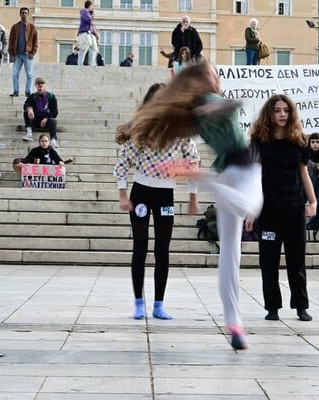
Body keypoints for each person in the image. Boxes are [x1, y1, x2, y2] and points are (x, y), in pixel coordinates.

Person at [127, 62, 263, 350]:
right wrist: (213, 107)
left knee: (230, 255)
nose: (218, 77)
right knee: (252, 205)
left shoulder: (190, 113)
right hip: (244, 169)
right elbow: (236, 102)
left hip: (226, 176)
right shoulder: (208, 101)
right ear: (201, 81)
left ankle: (234, 324)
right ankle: (205, 179)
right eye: (214, 74)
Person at [115, 82, 200, 322]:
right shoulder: (141, 131)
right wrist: (122, 194)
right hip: (141, 192)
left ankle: (159, 304)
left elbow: (193, 162)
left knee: (162, 250)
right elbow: (123, 164)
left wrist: (193, 196)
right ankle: (138, 303)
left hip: (165, 195)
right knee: (140, 249)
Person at [250, 94, 316, 323]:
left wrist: (313, 201)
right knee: (268, 261)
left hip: (294, 208)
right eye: (277, 110)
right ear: (270, 113)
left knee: (296, 260)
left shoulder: (299, 140)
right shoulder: (259, 142)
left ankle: (300, 306)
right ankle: (272, 307)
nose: (282, 114)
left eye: (286, 110)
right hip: (268, 211)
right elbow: (253, 177)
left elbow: (304, 173)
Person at [8, 7, 38, 98]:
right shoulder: (15, 27)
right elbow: (11, 41)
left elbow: (35, 42)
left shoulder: (32, 27)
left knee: (29, 74)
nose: (24, 14)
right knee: (15, 74)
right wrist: (11, 54)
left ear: (28, 14)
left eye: (25, 13)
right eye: (22, 13)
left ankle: (28, 91)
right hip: (17, 55)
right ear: (20, 14)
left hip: (27, 55)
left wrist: (33, 52)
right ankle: (16, 91)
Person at [22, 77, 59, 147]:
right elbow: (26, 104)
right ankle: (29, 133)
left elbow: (55, 112)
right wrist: (29, 109)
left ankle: (53, 140)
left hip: (46, 120)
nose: (40, 85)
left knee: (53, 120)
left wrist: (46, 118)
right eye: (38, 84)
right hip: (35, 119)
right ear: (35, 85)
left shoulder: (51, 96)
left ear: (45, 85)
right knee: (26, 112)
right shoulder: (32, 96)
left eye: (42, 83)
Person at [77, 1, 97, 66]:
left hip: (88, 33)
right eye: (92, 6)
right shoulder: (84, 11)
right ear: (90, 6)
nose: (92, 8)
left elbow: (90, 22)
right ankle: (80, 63)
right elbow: (88, 19)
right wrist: (91, 19)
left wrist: (96, 34)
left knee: (94, 48)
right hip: (84, 32)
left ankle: (92, 63)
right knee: (86, 45)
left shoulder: (87, 12)